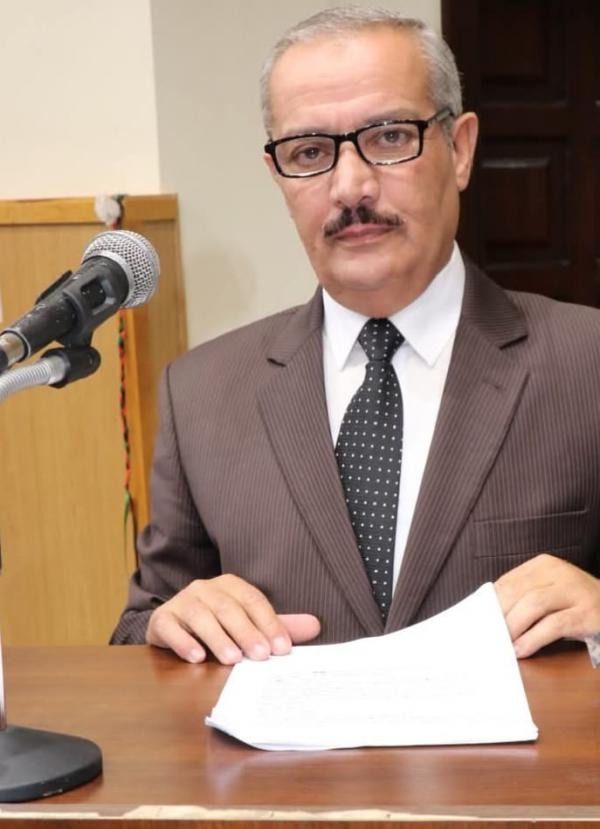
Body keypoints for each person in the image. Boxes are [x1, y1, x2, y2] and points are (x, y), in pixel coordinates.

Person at [111, 6, 600, 665]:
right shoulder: (200, 393)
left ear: (460, 149)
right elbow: (140, 629)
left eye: (390, 137)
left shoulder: (586, 364)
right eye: (310, 153)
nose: (350, 186)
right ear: (278, 176)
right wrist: (171, 622)